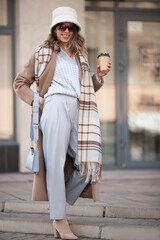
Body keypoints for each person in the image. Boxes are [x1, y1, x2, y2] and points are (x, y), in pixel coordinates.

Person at [13, 6, 111, 240]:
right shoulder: (43, 53)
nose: (66, 30)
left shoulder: (81, 57)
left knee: (88, 162)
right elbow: (20, 82)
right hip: (54, 106)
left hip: (80, 110)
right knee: (55, 164)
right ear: (54, 30)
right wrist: (37, 100)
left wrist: (98, 77)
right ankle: (60, 219)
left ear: (75, 30)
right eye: (61, 26)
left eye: (70, 27)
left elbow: (87, 89)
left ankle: (56, 203)